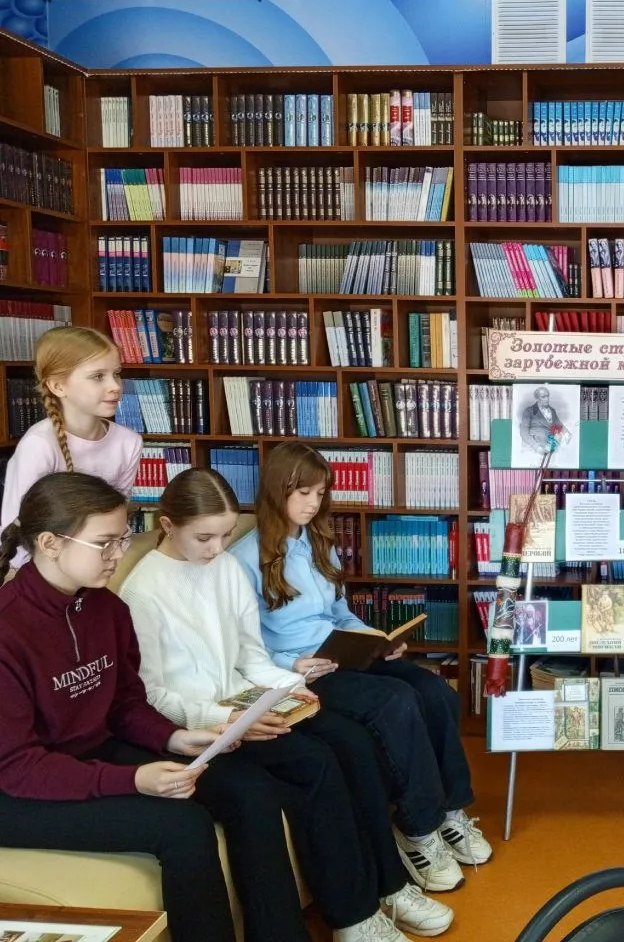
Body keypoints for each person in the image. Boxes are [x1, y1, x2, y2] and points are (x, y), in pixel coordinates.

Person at [118, 467, 454, 940]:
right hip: (204, 723)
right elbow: (152, 694)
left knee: (354, 742)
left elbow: (250, 656)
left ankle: (390, 886)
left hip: (248, 702)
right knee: (317, 761)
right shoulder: (141, 592)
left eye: (225, 535)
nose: (216, 549)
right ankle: (353, 917)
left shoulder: (224, 568)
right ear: (168, 525)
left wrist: (292, 689)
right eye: (204, 538)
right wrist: (226, 717)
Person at [229, 442, 491, 891]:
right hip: (302, 672)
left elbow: (341, 614)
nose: (313, 504)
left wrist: (375, 639)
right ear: (277, 490)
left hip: (342, 653)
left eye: (320, 493)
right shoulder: (243, 559)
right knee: (395, 701)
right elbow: (244, 645)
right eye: (304, 493)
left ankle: (451, 811)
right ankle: (418, 829)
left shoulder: (318, 544)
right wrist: (293, 663)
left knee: (436, 692)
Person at [0, 472, 235, 942]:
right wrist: (132, 780)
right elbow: (18, 766)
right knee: (182, 827)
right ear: (49, 543)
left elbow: (124, 702)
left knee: (241, 785)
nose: (118, 554)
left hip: (89, 753)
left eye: (122, 539)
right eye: (104, 543)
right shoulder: (8, 629)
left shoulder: (106, 608)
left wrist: (172, 737)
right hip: (16, 790)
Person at [1, 327, 141, 569]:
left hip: (105, 562)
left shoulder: (129, 443)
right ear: (57, 386)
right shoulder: (39, 445)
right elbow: (16, 534)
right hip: (41, 570)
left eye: (116, 374)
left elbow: (117, 521)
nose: (115, 386)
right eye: (98, 376)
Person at [519, 386, 569, 453]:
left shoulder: (552, 411)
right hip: (533, 448)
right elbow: (524, 433)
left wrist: (566, 433)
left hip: (549, 447)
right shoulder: (529, 411)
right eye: (543, 397)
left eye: (547, 396)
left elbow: (559, 425)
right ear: (537, 398)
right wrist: (536, 447)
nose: (547, 399)